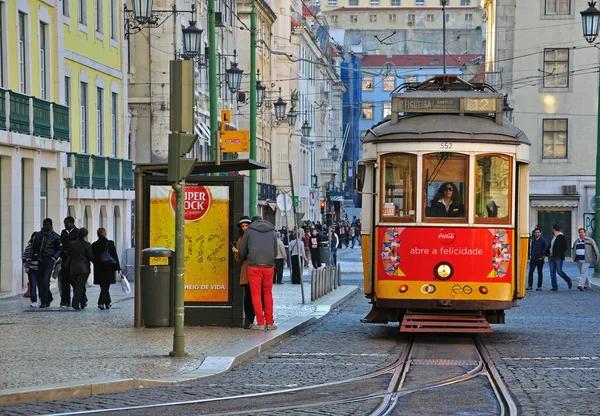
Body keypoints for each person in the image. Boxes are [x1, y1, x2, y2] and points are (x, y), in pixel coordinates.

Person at [239, 216, 278, 331]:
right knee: (267, 293)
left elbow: (242, 251)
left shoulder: (249, 231)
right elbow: (275, 251)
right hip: (268, 266)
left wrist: (245, 257)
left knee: (255, 294)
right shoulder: (272, 231)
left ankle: (260, 323)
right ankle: (270, 323)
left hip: (254, 266)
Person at [31, 218, 61, 308]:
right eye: (44, 224)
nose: (45, 226)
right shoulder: (38, 235)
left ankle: (43, 301)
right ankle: (48, 297)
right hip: (40, 260)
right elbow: (33, 247)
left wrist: (54, 257)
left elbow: (59, 249)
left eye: (47, 225)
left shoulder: (56, 236)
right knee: (40, 281)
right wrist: (29, 257)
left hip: (49, 260)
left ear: (51, 225)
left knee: (45, 280)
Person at [232, 216, 255, 329]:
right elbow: (239, 260)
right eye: (243, 226)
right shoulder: (241, 239)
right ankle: (249, 319)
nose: (245, 228)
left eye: (247, 225)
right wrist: (237, 253)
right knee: (248, 296)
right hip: (246, 270)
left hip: (256, 269)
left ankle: (257, 318)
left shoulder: (255, 238)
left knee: (255, 295)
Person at [91, 228, 121, 310]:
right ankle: (101, 303)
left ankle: (108, 303)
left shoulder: (94, 245)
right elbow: (114, 255)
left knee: (103, 286)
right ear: (105, 233)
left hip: (99, 269)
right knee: (105, 287)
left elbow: (92, 257)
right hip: (108, 268)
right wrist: (118, 267)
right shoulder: (110, 243)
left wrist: (96, 263)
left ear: (97, 234)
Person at [68, 228, 94, 310]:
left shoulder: (72, 244)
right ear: (85, 235)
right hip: (84, 268)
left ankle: (83, 301)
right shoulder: (87, 244)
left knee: (78, 286)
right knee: (79, 286)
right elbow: (91, 257)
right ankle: (75, 304)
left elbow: (68, 254)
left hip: (73, 268)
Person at [59, 216, 80, 308]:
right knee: (65, 280)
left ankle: (81, 299)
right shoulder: (63, 233)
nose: (65, 225)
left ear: (71, 223)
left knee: (75, 281)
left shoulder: (77, 232)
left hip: (73, 260)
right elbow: (61, 243)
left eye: (66, 223)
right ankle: (65, 301)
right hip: (64, 260)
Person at [548, 223, 573, 292]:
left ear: (554, 229)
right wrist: (546, 253)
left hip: (557, 257)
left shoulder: (561, 237)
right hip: (551, 256)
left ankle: (568, 280)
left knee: (559, 271)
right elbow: (550, 246)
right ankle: (554, 287)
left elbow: (565, 247)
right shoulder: (554, 237)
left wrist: (559, 254)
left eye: (552, 229)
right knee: (552, 273)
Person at [22, 232, 38, 307]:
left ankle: (44, 300)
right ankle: (34, 300)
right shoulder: (29, 247)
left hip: (40, 269)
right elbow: (24, 257)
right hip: (31, 269)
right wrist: (26, 267)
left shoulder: (41, 248)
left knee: (42, 285)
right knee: (33, 285)